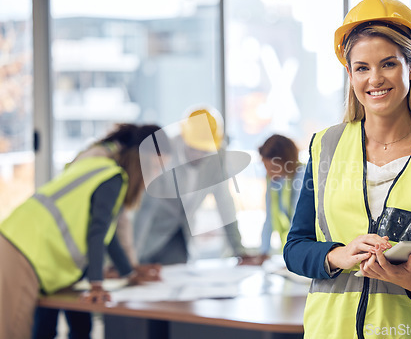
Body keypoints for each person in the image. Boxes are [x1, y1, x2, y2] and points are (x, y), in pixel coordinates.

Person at [283, 0, 411, 339]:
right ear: (350, 74)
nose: (375, 79)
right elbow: (296, 247)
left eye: (388, 64)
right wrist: (338, 254)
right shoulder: (326, 147)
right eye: (362, 67)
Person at [0, 123, 167, 339]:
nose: (153, 177)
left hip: (26, 245)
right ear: (139, 160)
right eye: (153, 167)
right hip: (23, 246)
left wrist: (130, 273)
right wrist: (96, 285)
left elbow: (108, 236)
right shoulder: (112, 177)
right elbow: (97, 233)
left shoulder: (105, 171)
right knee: (14, 331)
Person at [134, 107, 246, 266]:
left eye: (205, 150)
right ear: (184, 138)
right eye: (194, 149)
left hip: (181, 237)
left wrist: (239, 251)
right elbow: (146, 210)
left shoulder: (216, 158)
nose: (199, 155)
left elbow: (225, 204)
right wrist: (131, 260)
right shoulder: (164, 154)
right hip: (150, 234)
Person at [255, 134, 303, 263]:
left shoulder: (302, 176)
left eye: (273, 168)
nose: (270, 173)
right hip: (291, 254)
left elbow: (298, 220)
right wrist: (263, 253)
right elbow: (269, 217)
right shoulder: (274, 182)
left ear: (287, 162)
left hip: (303, 252)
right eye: (266, 167)